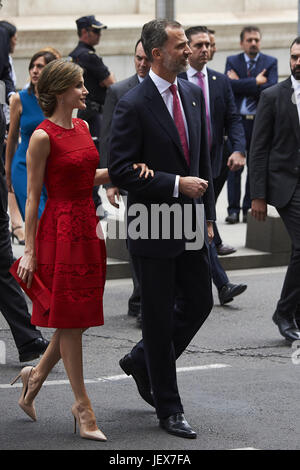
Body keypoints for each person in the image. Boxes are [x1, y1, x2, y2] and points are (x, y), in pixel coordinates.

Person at [11, 58, 152, 441]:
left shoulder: (83, 125)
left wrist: (124, 170)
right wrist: (29, 248)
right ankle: (83, 407)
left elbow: (85, 174)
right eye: (79, 85)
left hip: (88, 227)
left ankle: (34, 376)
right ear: (60, 92)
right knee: (70, 321)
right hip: (58, 230)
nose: (86, 90)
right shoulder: (41, 136)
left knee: (78, 317)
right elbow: (34, 196)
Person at [109, 19, 215, 439]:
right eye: (180, 45)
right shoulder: (133, 104)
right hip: (151, 224)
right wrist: (173, 184)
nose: (188, 50)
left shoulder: (191, 93)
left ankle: (141, 360)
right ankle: (169, 408)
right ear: (157, 54)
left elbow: (201, 159)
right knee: (155, 317)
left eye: (187, 43)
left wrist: (206, 215)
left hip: (190, 222)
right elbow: (120, 168)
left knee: (200, 302)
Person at [180, 26, 247, 305]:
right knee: (200, 221)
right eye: (199, 45)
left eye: (208, 44)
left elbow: (233, 118)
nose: (205, 49)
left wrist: (239, 149)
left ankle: (207, 280)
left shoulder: (220, 80)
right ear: (187, 49)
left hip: (215, 162)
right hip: (185, 167)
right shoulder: (177, 80)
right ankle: (222, 283)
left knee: (202, 220)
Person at [0, 17, 49, 363]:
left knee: (3, 265)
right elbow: (12, 137)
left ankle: (29, 338)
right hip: (21, 169)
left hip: (39, 173)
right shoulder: (17, 94)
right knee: (4, 264)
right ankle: (29, 337)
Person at [249, 37, 300, 343]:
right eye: (294, 56)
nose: (298, 62)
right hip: (285, 184)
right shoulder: (272, 96)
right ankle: (284, 311)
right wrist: (257, 195)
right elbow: (258, 149)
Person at [101, 38, 150, 326]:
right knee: (139, 240)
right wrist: (111, 181)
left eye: (146, 58)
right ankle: (143, 301)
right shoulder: (119, 91)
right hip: (131, 178)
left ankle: (139, 298)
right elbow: (108, 138)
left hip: (161, 177)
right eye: (137, 58)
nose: (142, 64)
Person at [225, 25, 278, 224]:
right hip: (237, 123)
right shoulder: (232, 61)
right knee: (234, 167)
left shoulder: (270, 62)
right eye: (249, 40)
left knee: (254, 167)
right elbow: (228, 88)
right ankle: (232, 210)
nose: (253, 43)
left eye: (256, 40)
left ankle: (248, 208)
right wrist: (255, 82)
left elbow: (270, 90)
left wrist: (242, 83)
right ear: (242, 43)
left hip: (259, 123)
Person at [69, 15, 115, 216]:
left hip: (85, 112)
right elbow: (111, 83)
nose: (99, 35)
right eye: (96, 31)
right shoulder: (88, 56)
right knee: (95, 156)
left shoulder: (75, 55)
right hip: (94, 114)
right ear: (85, 32)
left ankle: (92, 202)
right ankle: (94, 203)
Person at [5, 50, 57, 222]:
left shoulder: (57, 99)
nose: (34, 70)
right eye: (32, 66)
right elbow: (12, 138)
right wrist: (8, 172)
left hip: (50, 167)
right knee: (38, 219)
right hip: (23, 167)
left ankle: (36, 250)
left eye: (40, 66)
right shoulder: (19, 99)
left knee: (50, 221)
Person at [0, 20, 25, 244]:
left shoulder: (7, 60)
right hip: (7, 123)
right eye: (14, 38)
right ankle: (16, 224)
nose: (16, 43)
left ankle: (16, 223)